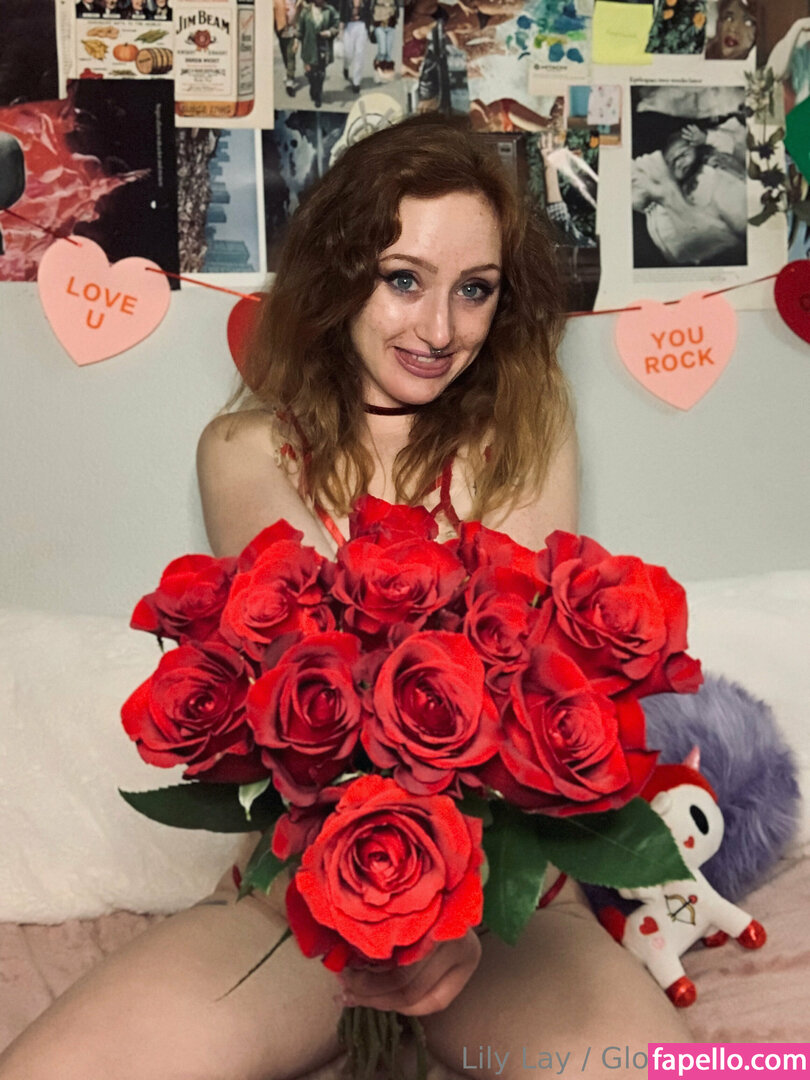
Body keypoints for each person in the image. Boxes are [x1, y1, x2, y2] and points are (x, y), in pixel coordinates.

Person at [0, 114, 692, 1080]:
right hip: (301, 900)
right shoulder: (244, 450)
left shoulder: (530, 436)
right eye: (403, 279)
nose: (439, 330)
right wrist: (380, 911)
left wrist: (456, 922)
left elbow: (520, 711)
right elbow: (307, 722)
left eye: (475, 290)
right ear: (338, 272)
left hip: (504, 909)